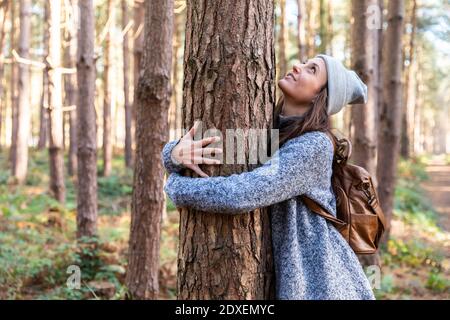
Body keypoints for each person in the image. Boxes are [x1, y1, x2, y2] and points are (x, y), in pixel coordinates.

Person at [161, 54, 375, 300]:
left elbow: (244, 193)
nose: (297, 66)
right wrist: (174, 155)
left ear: (320, 95)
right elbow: (201, 153)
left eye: (311, 70)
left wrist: (177, 186)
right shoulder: (271, 129)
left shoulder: (314, 145)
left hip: (322, 282)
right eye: (304, 63)